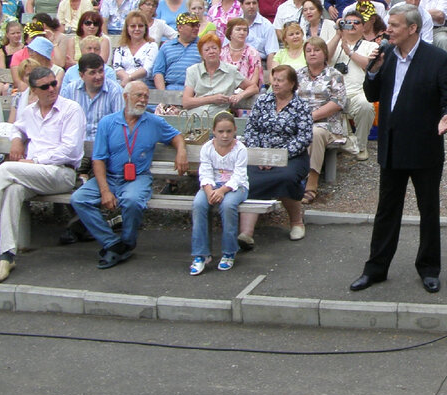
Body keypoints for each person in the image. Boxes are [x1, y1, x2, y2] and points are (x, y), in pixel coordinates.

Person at [350, 3, 447, 293]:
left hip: (424, 147)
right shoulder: (384, 55)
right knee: (386, 210)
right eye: (390, 24)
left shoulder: (437, 59)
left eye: (395, 25)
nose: (389, 30)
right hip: (392, 147)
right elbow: (372, 93)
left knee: (428, 210)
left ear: (412, 29)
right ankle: (375, 268)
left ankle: (428, 268)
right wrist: (372, 70)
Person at [0, 66, 87, 284]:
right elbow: (15, 128)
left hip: (62, 174)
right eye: (45, 86)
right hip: (32, 174)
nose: (51, 89)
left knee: (6, 169)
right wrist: (16, 140)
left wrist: (35, 160)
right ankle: (7, 256)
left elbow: (70, 150)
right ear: (33, 90)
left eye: (53, 84)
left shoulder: (71, 109)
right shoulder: (29, 111)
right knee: (12, 190)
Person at [70, 81, 187, 269]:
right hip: (109, 175)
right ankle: (113, 244)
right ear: (126, 97)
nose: (142, 100)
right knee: (79, 199)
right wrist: (105, 191)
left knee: (132, 201)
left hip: (138, 177)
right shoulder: (108, 123)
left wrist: (181, 151)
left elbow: (177, 136)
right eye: (138, 95)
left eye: (146, 97)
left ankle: (127, 241)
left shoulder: (153, 122)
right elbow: (98, 160)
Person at [239, 64, 314, 246]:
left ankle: (296, 222)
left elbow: (304, 137)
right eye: (274, 80)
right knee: (247, 177)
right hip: (260, 154)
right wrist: (261, 155)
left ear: (292, 84)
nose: (276, 84)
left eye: (281, 80)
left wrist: (277, 157)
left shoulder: (301, 106)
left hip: (291, 156)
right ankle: (246, 233)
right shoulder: (262, 101)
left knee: (286, 177)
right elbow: (251, 130)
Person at [189, 111, 250, 274]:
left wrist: (222, 190)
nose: (225, 135)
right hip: (213, 185)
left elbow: (239, 175)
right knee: (199, 204)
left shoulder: (240, 149)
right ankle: (201, 254)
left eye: (229, 131)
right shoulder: (207, 148)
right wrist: (209, 191)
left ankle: (229, 252)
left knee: (228, 205)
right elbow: (205, 172)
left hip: (236, 187)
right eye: (221, 131)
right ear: (214, 131)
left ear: (235, 130)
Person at [296, 36, 348, 204]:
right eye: (308, 51)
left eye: (317, 50)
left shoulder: (334, 75)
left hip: (327, 125)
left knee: (315, 132)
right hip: (300, 121)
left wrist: (311, 117)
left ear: (325, 53)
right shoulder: (298, 75)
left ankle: (311, 185)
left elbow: (338, 102)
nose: (312, 54)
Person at [330, 10, 377, 161]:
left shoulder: (370, 46)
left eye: (356, 23)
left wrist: (349, 52)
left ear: (364, 27)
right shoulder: (334, 41)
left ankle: (360, 147)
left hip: (357, 93)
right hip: (332, 94)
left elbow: (370, 65)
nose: (352, 25)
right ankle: (340, 142)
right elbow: (323, 57)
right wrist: (338, 35)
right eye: (348, 22)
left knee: (366, 105)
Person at [182, 32, 243, 119]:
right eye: (207, 50)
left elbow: (253, 87)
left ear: (220, 50)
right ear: (201, 54)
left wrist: (239, 95)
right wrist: (212, 99)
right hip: (194, 118)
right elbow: (186, 102)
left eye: (214, 48)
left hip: (218, 119)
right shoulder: (193, 71)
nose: (211, 52)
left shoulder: (231, 70)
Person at [151, 12, 202, 92]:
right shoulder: (166, 47)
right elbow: (158, 72)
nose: (196, 28)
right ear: (180, 27)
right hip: (170, 89)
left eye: (197, 25)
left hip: (195, 91)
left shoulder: (203, 46)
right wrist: (163, 95)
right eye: (192, 25)